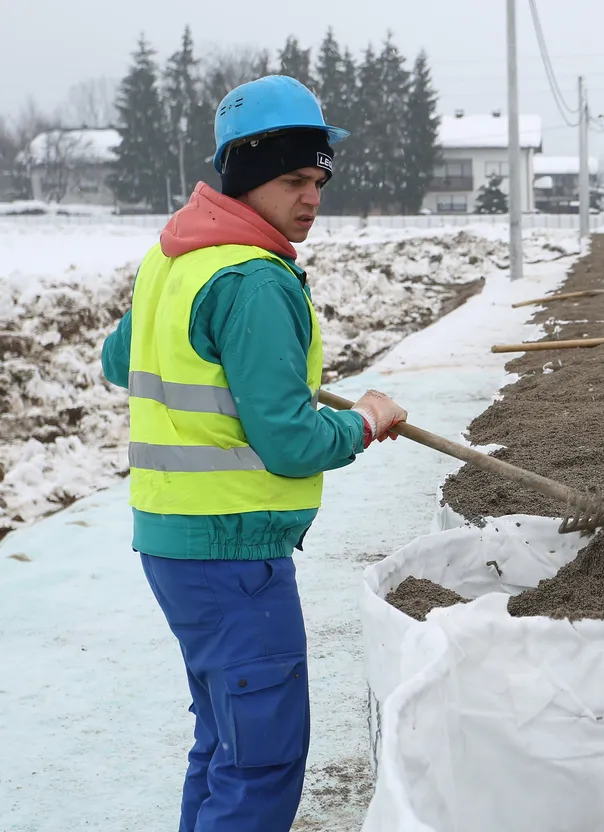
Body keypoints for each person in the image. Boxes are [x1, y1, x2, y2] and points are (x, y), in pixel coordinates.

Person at [99, 75, 409, 832]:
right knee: (261, 757)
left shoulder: (175, 257)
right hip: (234, 552)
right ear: (246, 172)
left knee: (225, 741)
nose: (312, 197)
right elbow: (291, 442)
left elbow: (119, 362)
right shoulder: (254, 279)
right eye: (294, 180)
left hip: (173, 543)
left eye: (319, 180)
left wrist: (233, 368)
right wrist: (366, 420)